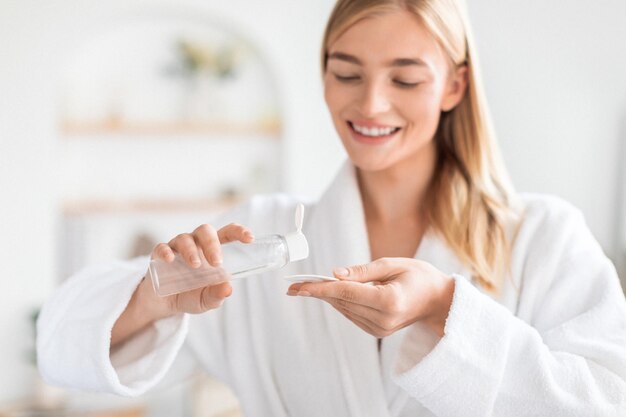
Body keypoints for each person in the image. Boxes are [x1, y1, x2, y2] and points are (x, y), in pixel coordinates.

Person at [37, 0, 626, 416]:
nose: (370, 103)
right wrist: (150, 297)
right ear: (323, 77)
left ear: (454, 86)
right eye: (347, 72)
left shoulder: (543, 237)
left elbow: (606, 400)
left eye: (405, 80)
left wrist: (446, 309)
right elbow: (62, 343)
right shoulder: (259, 237)